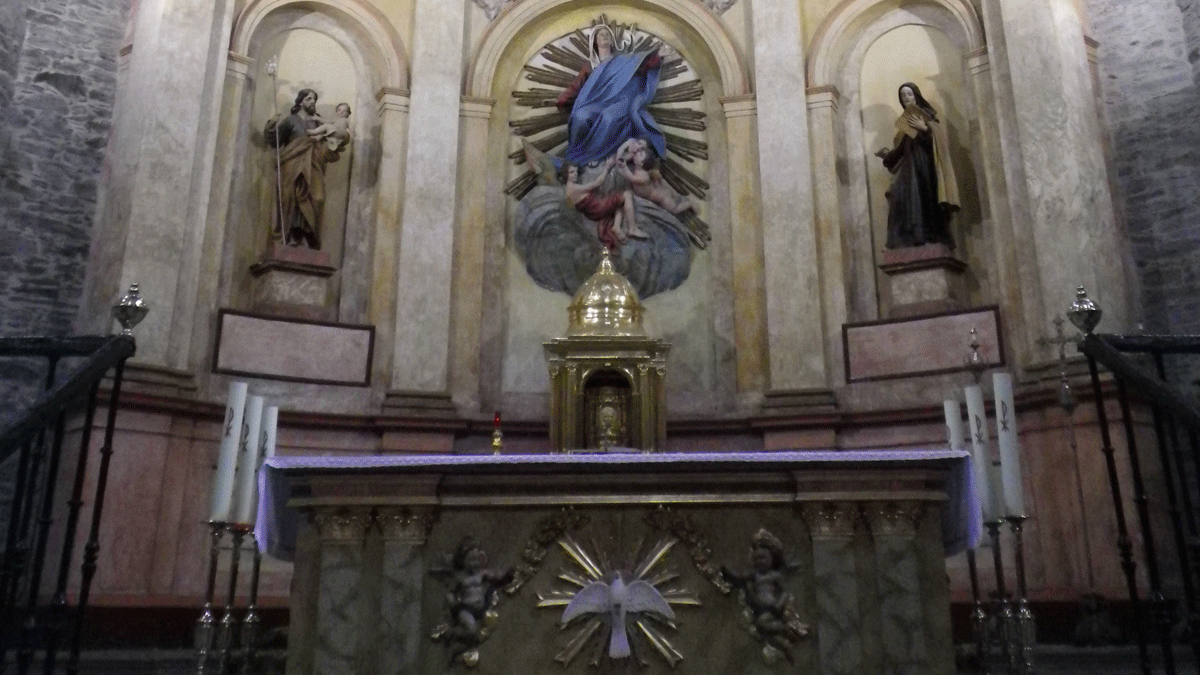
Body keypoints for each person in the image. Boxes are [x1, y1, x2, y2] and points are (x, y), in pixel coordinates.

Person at [556, 24, 668, 167]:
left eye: (607, 34)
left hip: (621, 101)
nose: (605, 36)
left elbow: (642, 65)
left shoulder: (622, 60)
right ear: (594, 41)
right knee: (580, 116)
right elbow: (576, 86)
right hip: (597, 102)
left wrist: (658, 56)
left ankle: (592, 159)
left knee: (609, 117)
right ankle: (573, 156)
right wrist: (562, 100)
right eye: (601, 35)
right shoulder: (590, 66)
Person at [874, 82, 960, 249]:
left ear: (916, 96)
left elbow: (938, 142)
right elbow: (900, 149)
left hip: (926, 166)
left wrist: (925, 128)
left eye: (909, 94)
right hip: (908, 168)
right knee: (898, 197)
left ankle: (928, 235)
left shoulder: (927, 115)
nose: (906, 98)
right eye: (903, 95)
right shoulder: (905, 122)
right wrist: (887, 156)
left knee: (925, 199)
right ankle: (909, 238)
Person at [264, 89, 347, 249]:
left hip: (313, 165)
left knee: (317, 197)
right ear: (300, 101)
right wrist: (272, 125)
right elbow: (275, 141)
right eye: (309, 99)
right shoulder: (291, 120)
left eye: (314, 99)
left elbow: (329, 143)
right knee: (292, 197)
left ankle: (309, 233)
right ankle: (291, 234)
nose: (313, 102)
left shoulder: (319, 123)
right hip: (292, 164)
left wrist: (336, 143)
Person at [563, 158, 641, 251]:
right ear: (566, 174)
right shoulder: (573, 188)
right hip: (598, 208)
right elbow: (597, 183)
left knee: (617, 200)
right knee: (626, 194)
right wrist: (607, 167)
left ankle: (616, 227)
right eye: (572, 172)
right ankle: (632, 228)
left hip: (592, 213)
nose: (575, 174)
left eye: (576, 171)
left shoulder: (567, 189)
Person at [615, 138, 694, 217]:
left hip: (662, 197)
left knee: (674, 210)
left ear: (642, 164)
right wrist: (621, 158)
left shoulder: (644, 177)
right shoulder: (639, 165)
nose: (638, 153)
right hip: (655, 190)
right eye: (639, 152)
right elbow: (629, 157)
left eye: (641, 154)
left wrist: (624, 167)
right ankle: (675, 196)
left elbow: (631, 177)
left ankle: (690, 204)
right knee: (670, 195)